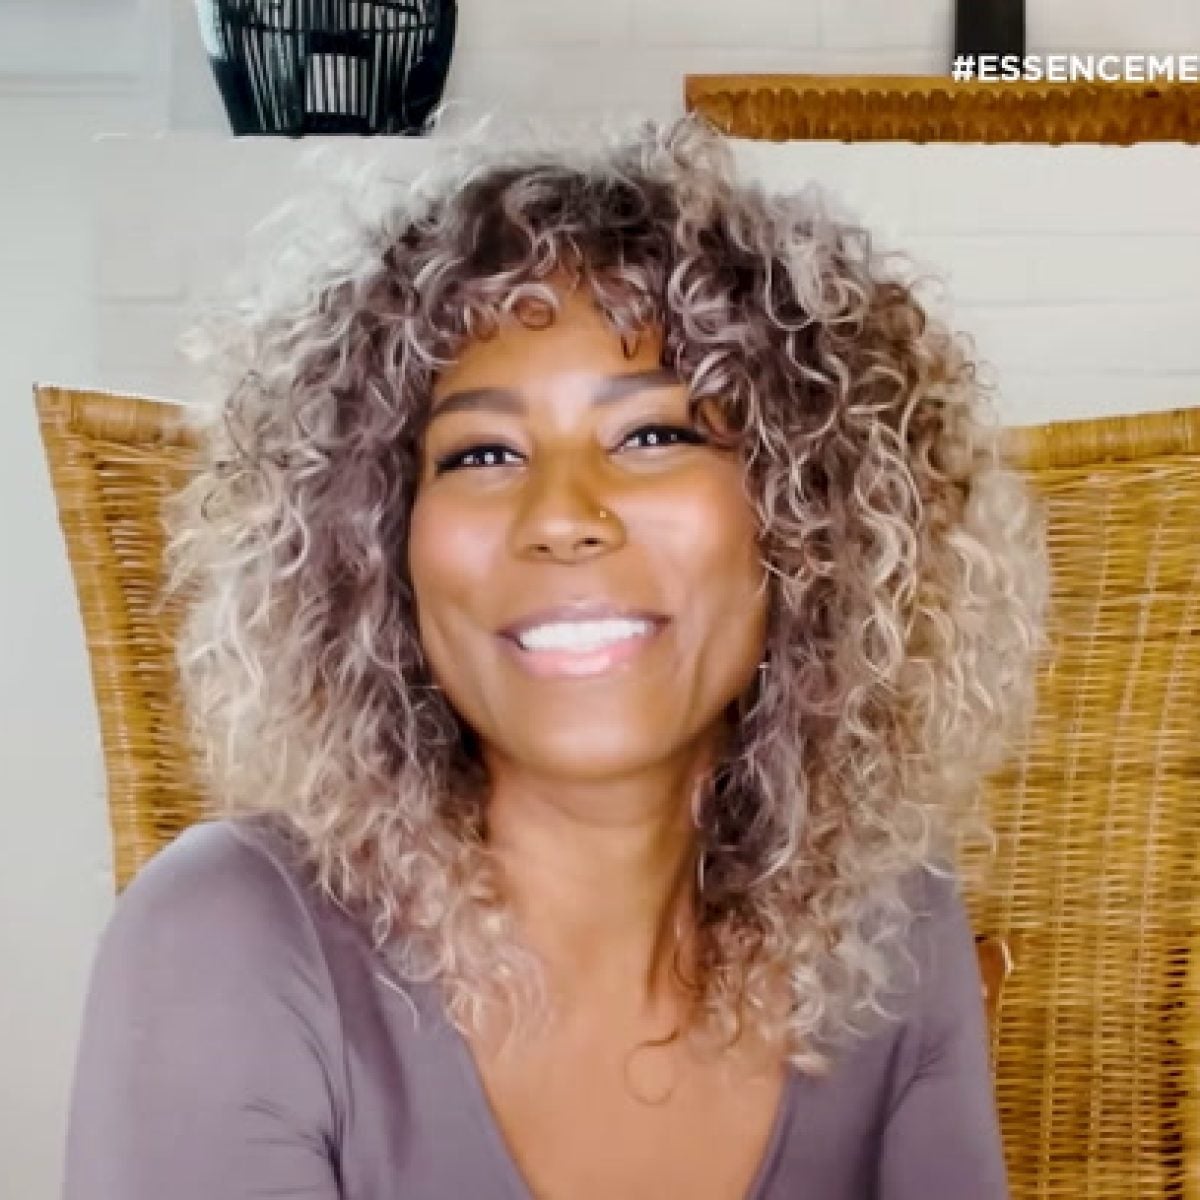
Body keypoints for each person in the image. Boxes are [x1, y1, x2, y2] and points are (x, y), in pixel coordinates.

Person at [62, 114, 1046, 1199]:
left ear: (807, 519)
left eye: (654, 436)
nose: (563, 515)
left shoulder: (890, 922)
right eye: (483, 452)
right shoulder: (231, 942)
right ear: (379, 549)